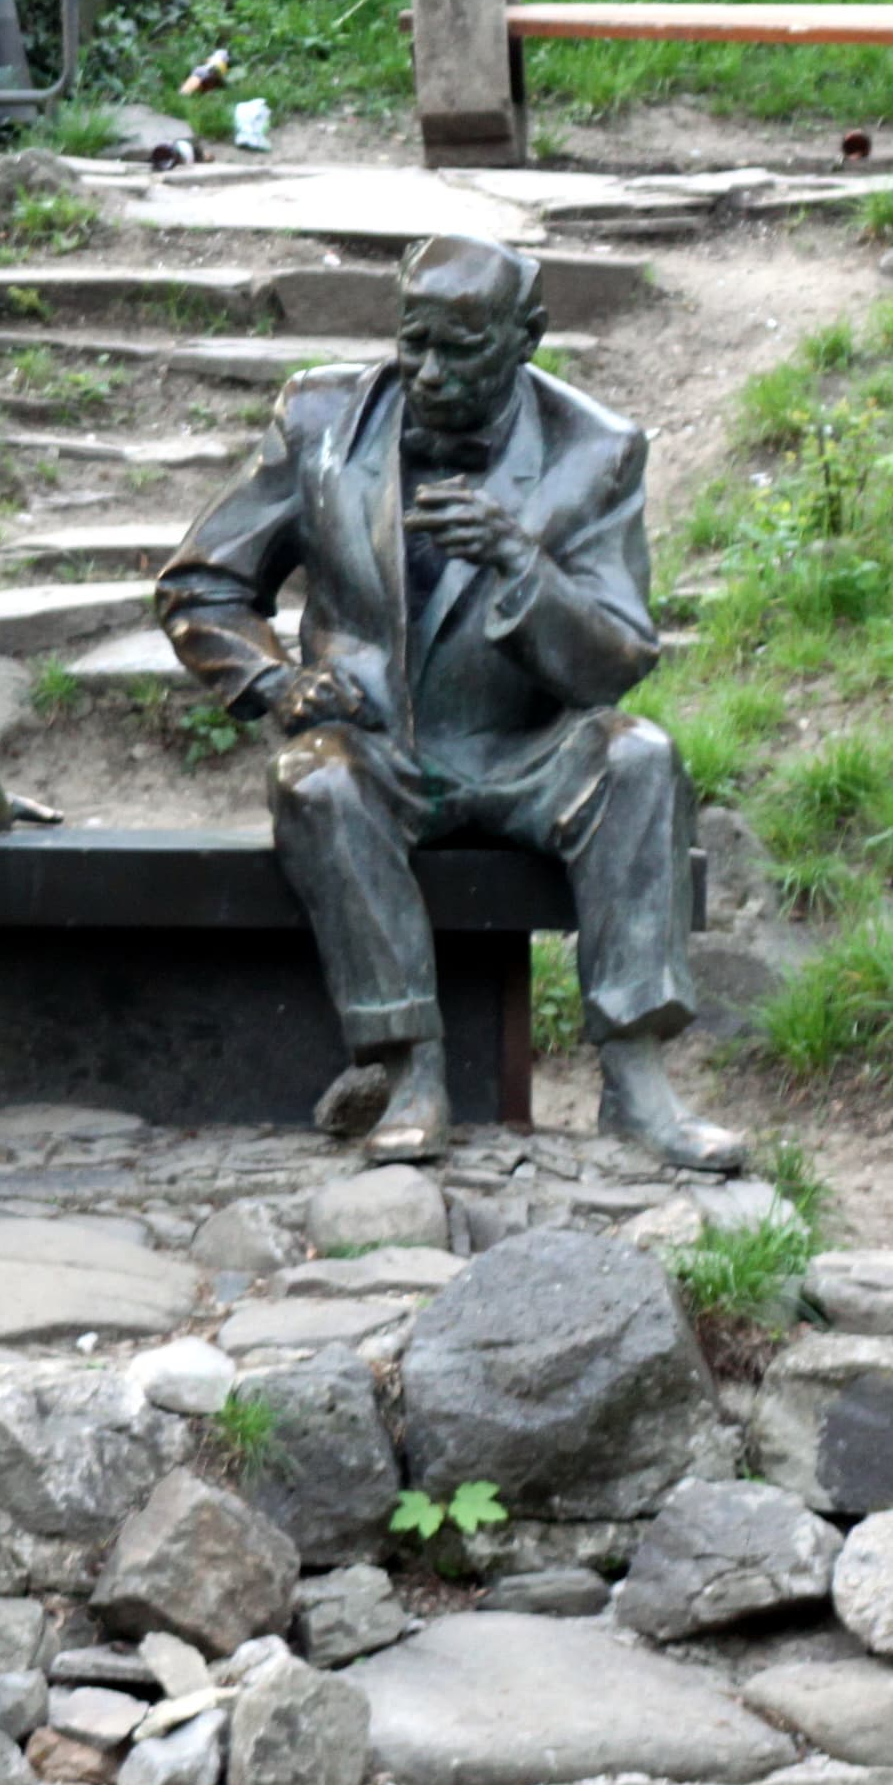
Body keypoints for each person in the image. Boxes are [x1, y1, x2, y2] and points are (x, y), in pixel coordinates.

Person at [155, 233, 746, 1171]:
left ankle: (637, 1082)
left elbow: (618, 658)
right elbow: (201, 585)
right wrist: (278, 681)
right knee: (315, 782)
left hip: (526, 749)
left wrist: (522, 562)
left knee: (638, 758)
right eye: (412, 341)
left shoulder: (594, 451)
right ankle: (410, 1066)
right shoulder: (321, 421)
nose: (427, 373)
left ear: (528, 337)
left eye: (459, 350)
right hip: (376, 746)